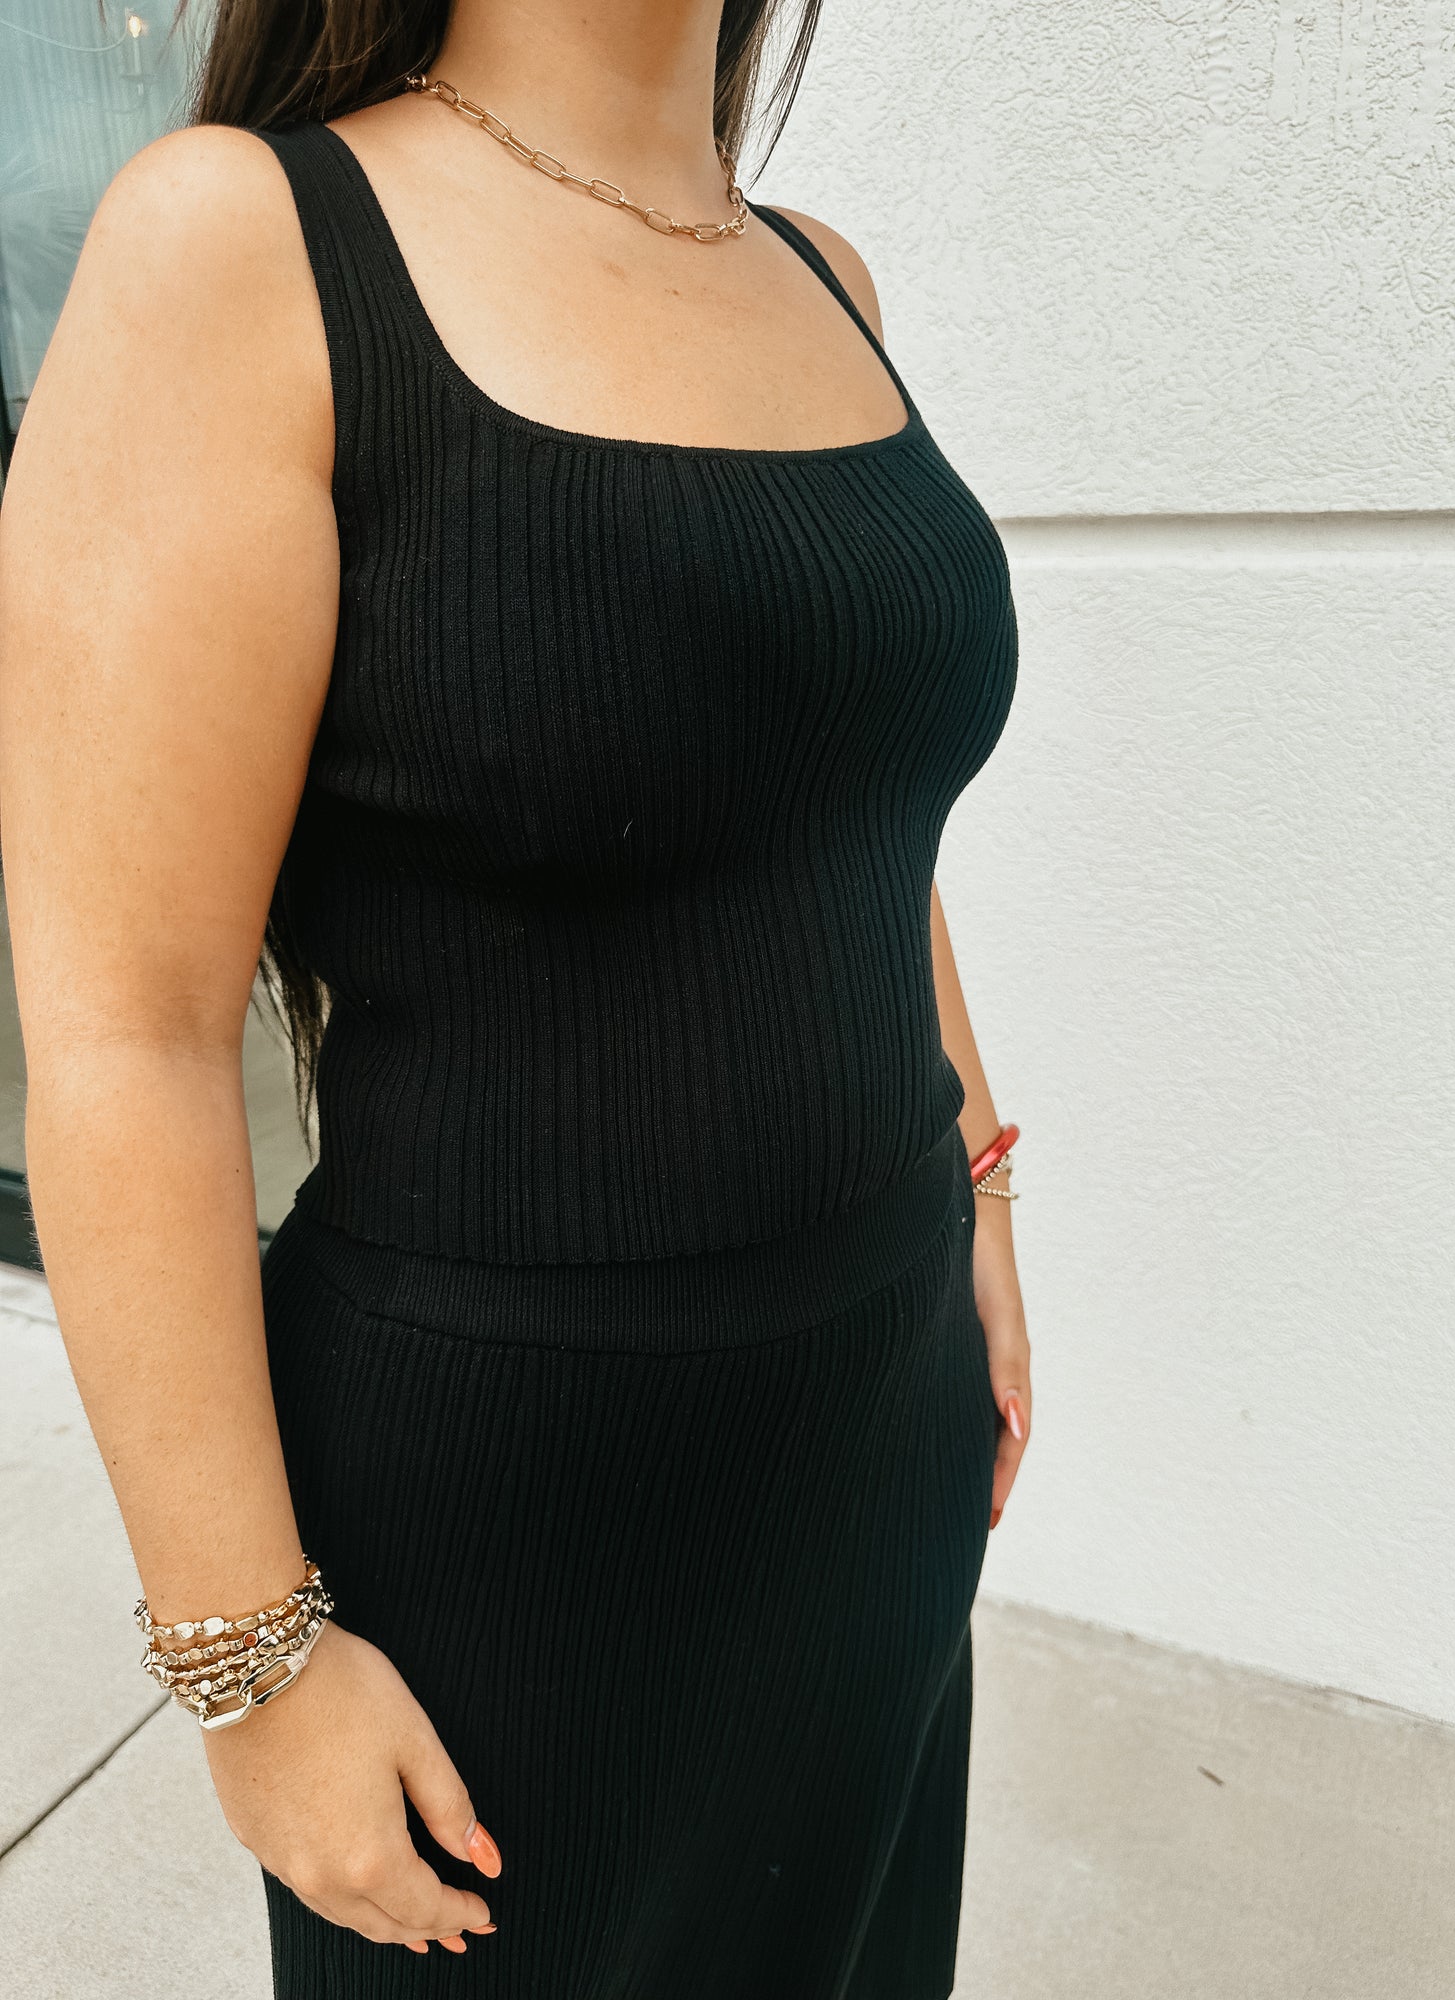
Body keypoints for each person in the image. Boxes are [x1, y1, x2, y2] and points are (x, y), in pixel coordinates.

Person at [0, 1, 1029, 1992]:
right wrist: (250, 1662)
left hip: (880, 1437)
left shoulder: (822, 275)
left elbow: (853, 816)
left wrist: (979, 1186)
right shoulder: (241, 246)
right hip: (513, 1517)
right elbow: (127, 1024)